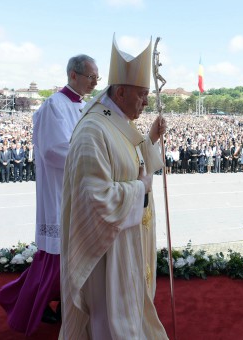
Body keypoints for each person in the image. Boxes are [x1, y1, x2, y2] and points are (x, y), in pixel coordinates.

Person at [60, 36, 168, 339]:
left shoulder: (119, 121)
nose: (145, 102)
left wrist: (151, 140)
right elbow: (95, 197)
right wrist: (140, 189)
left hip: (128, 241)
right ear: (120, 92)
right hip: (108, 253)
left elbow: (130, 161)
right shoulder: (93, 130)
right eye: (141, 95)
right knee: (111, 322)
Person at [0, 54, 99, 336]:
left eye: (97, 78)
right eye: (90, 77)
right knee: (56, 262)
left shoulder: (87, 106)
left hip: (82, 193)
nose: (95, 82)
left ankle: (68, 308)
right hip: (59, 193)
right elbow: (55, 150)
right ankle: (26, 303)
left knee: (70, 261)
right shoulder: (54, 106)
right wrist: (96, 161)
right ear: (73, 75)